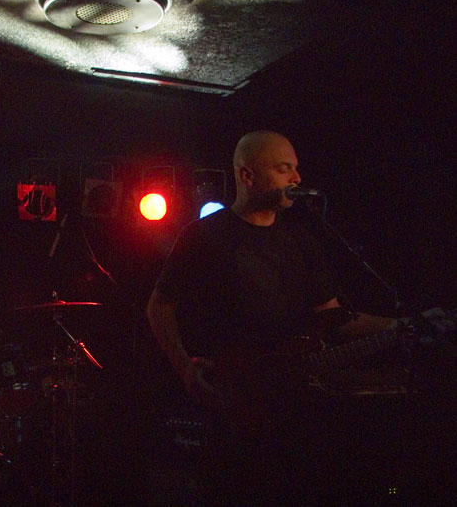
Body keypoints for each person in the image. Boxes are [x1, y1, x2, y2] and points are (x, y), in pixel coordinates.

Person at [146, 130, 400, 501]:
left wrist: (398, 326)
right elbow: (159, 306)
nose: (296, 178)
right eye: (284, 169)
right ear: (247, 175)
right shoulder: (204, 236)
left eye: (295, 168)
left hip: (295, 408)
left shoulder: (301, 238)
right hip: (234, 404)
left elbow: (333, 316)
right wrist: (185, 368)